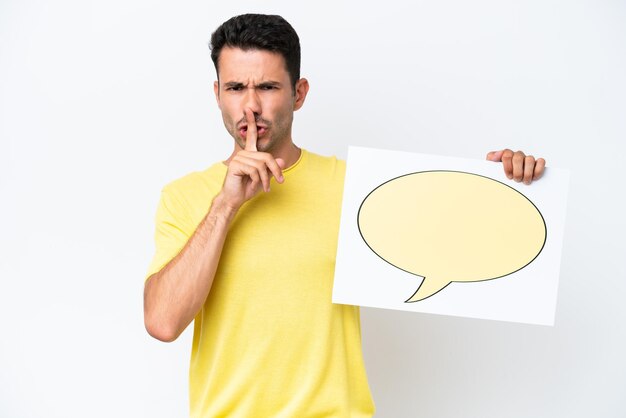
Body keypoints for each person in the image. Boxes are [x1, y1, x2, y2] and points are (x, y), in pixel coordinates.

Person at [143, 13, 546, 418]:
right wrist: (225, 205)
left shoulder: (355, 188)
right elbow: (162, 322)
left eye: (267, 87)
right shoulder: (185, 197)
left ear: (299, 93)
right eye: (235, 88)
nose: (250, 106)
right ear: (217, 93)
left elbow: (455, 239)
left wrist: (508, 185)